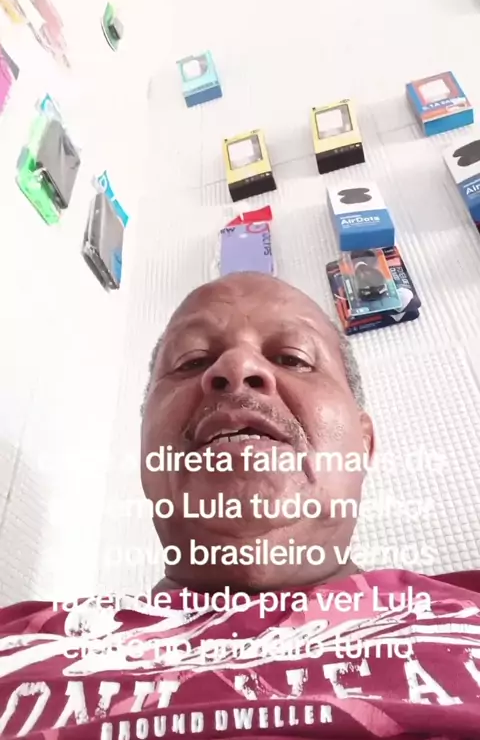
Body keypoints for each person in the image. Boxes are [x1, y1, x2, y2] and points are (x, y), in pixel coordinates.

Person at [1, 272, 480, 740]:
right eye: (190, 361)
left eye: (293, 358)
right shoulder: (18, 642)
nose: (235, 368)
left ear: (364, 443)